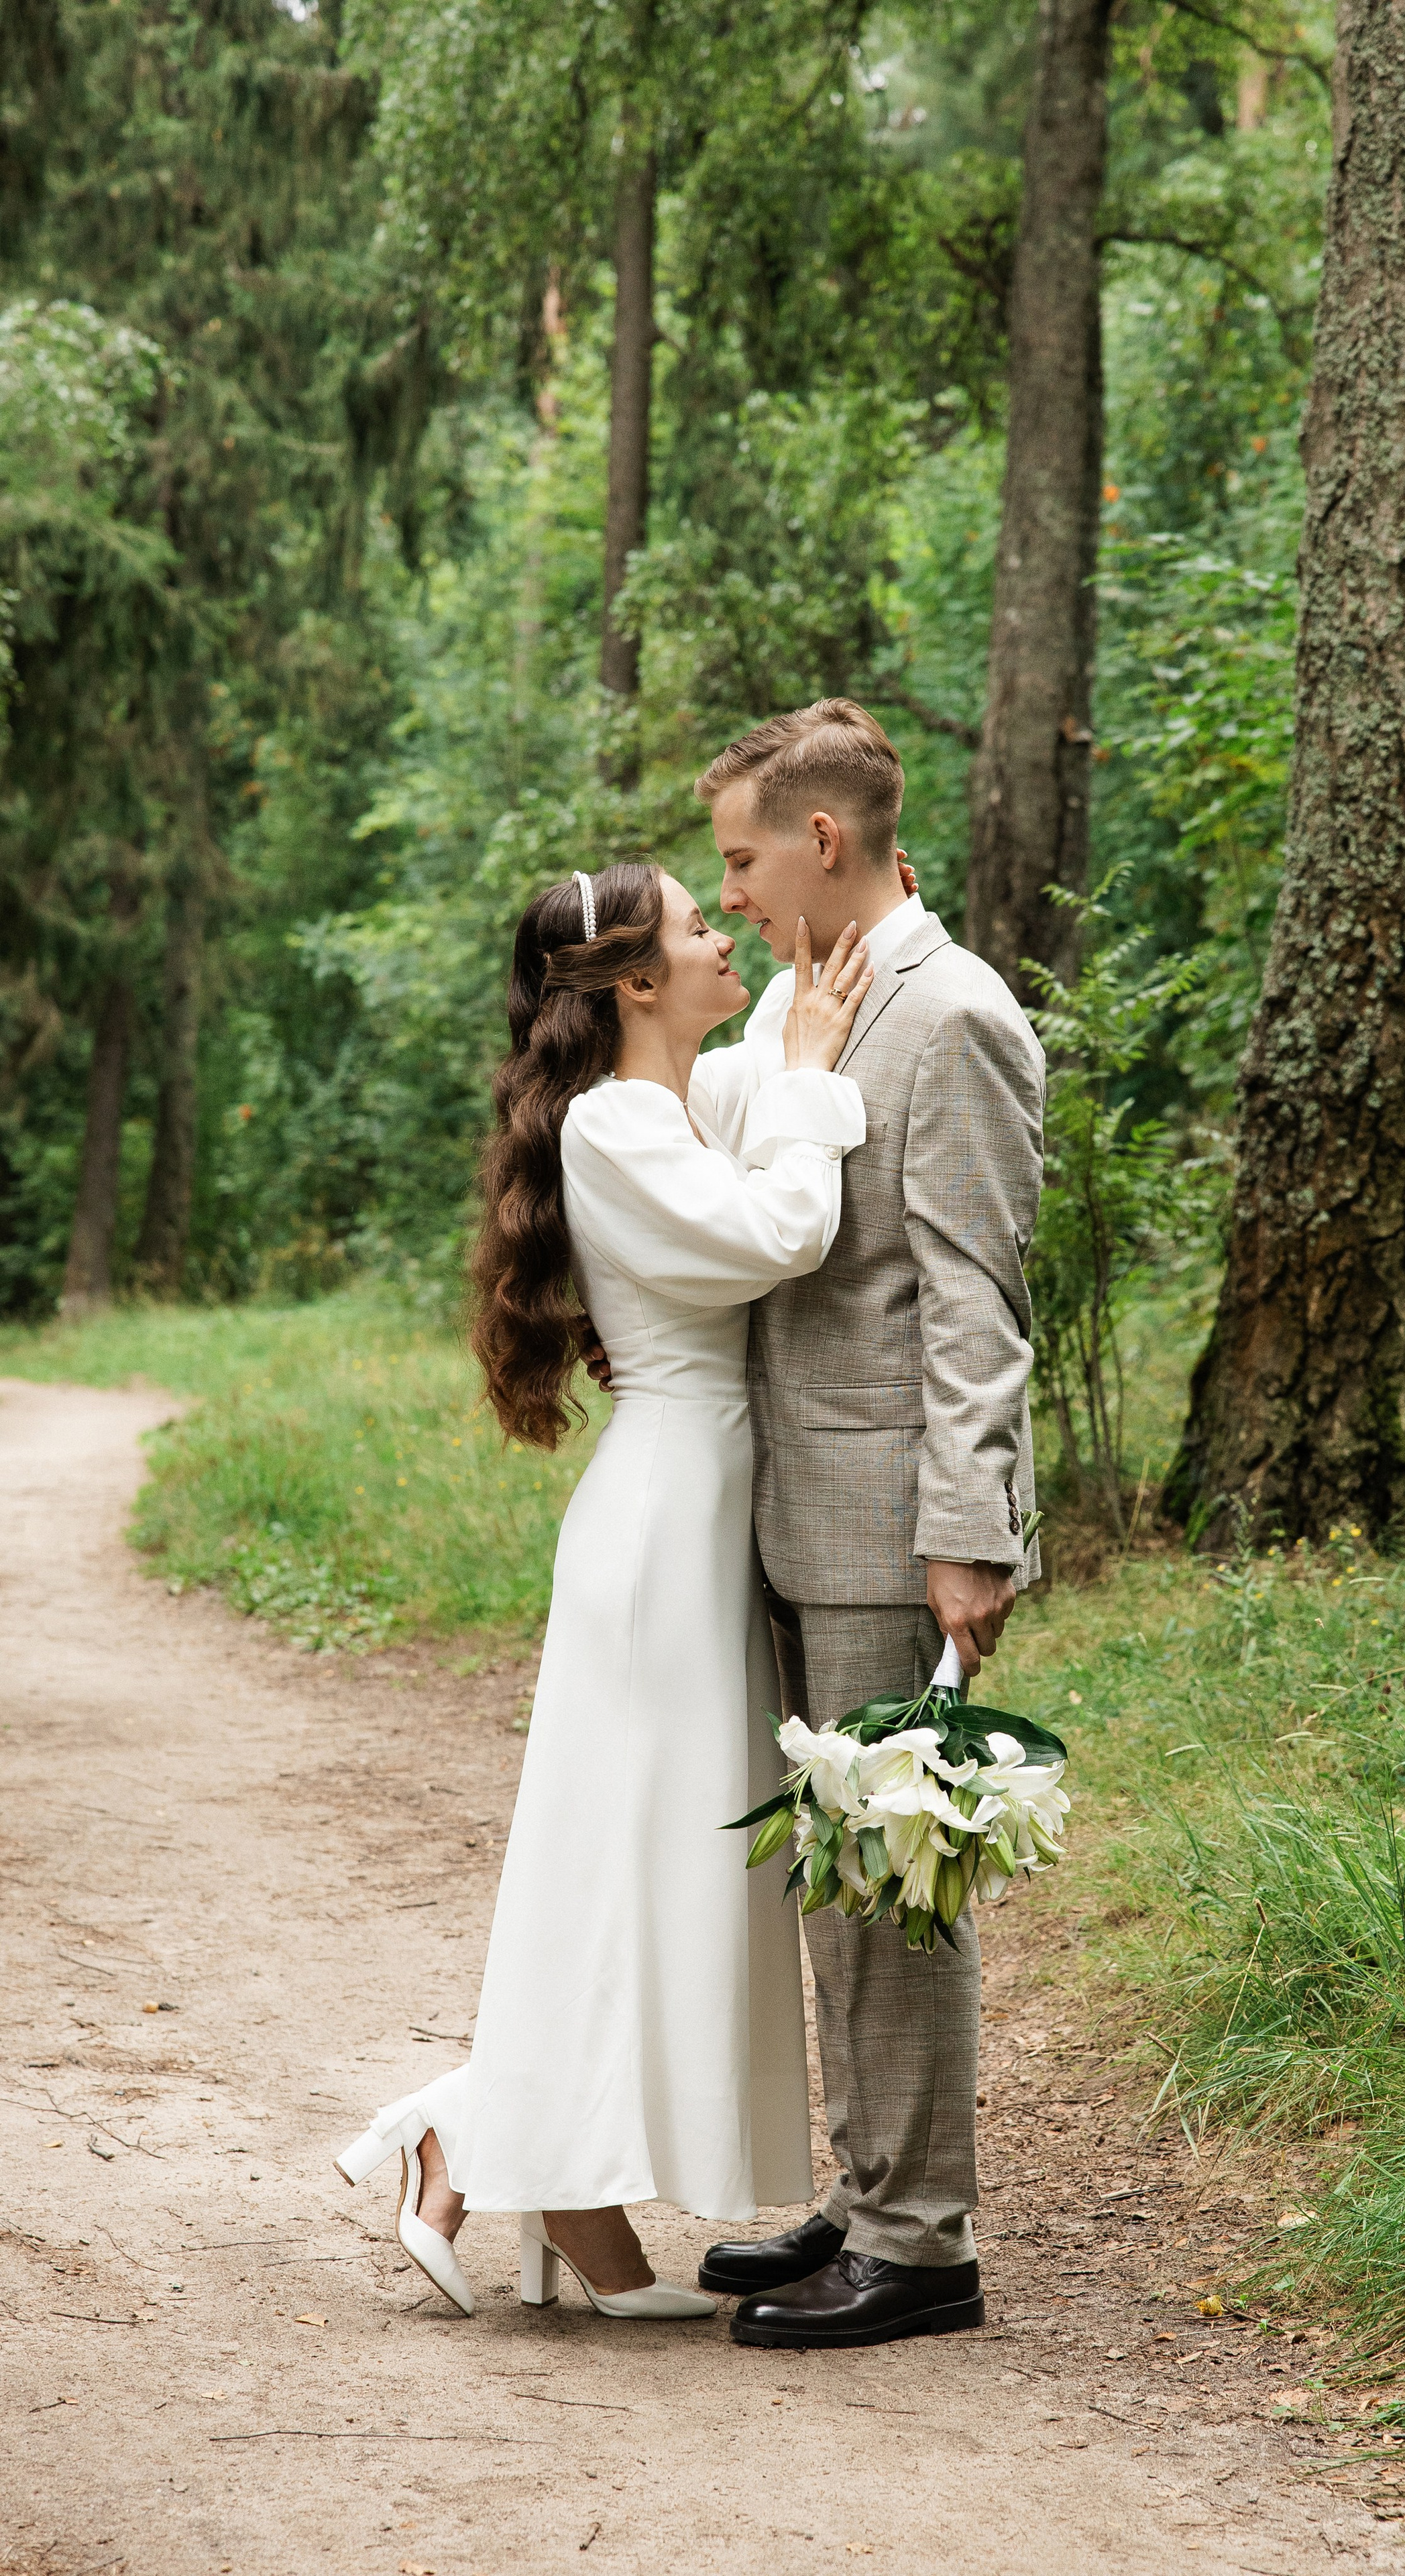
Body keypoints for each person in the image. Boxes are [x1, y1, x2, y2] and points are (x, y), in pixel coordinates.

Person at [335, 861, 873, 2321]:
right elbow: (780, 1233)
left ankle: (506, 2152)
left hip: (690, 1522)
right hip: (656, 1533)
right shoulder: (618, 1123)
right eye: (704, 926)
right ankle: (498, 2150)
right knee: (619, 1860)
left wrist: (802, 1007)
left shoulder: (668, 1102)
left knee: (650, 1866)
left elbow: (760, 1082)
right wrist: (817, 1074)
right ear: (635, 982)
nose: (723, 940)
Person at [689, 698, 1046, 2351]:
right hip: (787, 1504)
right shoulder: (800, 997)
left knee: (896, 1878)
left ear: (820, 842)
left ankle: (922, 2248)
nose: (738, 893)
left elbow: (973, 1299)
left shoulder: (952, 1013)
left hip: (890, 1520)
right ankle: (865, 2182)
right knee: (832, 1874)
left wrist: (970, 1530)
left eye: (744, 860)